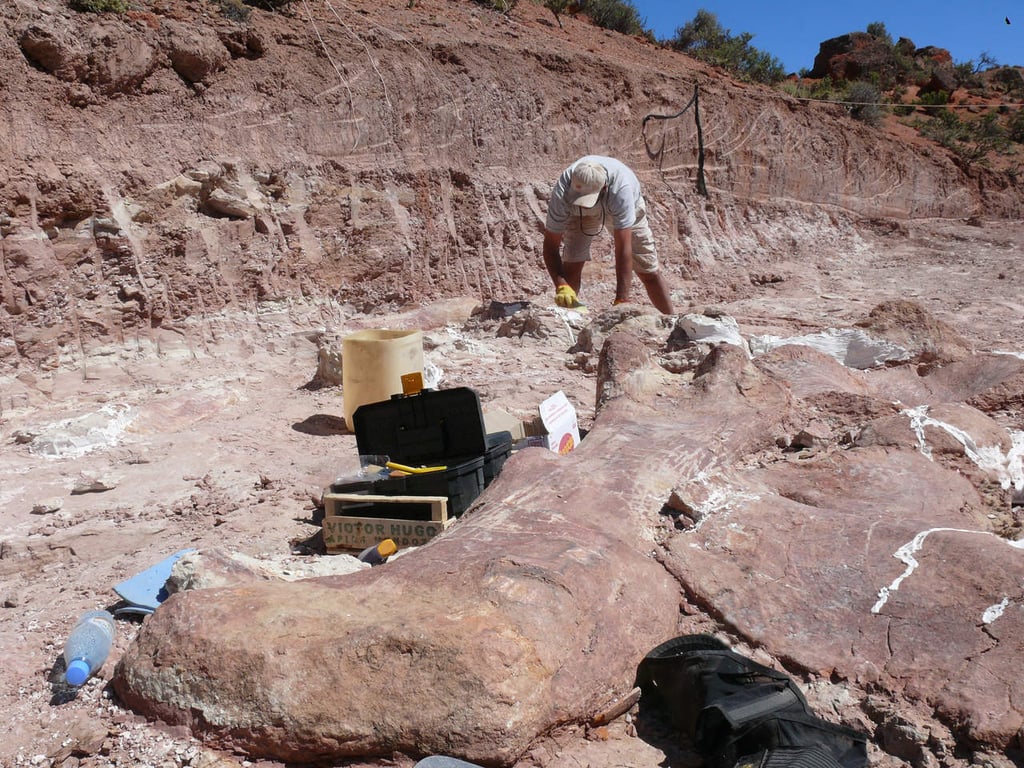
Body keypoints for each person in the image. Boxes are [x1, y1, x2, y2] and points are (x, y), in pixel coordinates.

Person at [542, 155, 673, 314]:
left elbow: (624, 249)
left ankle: (672, 321)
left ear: (603, 188)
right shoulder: (563, 191)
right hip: (576, 212)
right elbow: (550, 245)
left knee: (648, 270)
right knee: (572, 261)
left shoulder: (621, 190)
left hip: (620, 205)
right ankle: (568, 318)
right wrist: (561, 285)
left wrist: (621, 300)